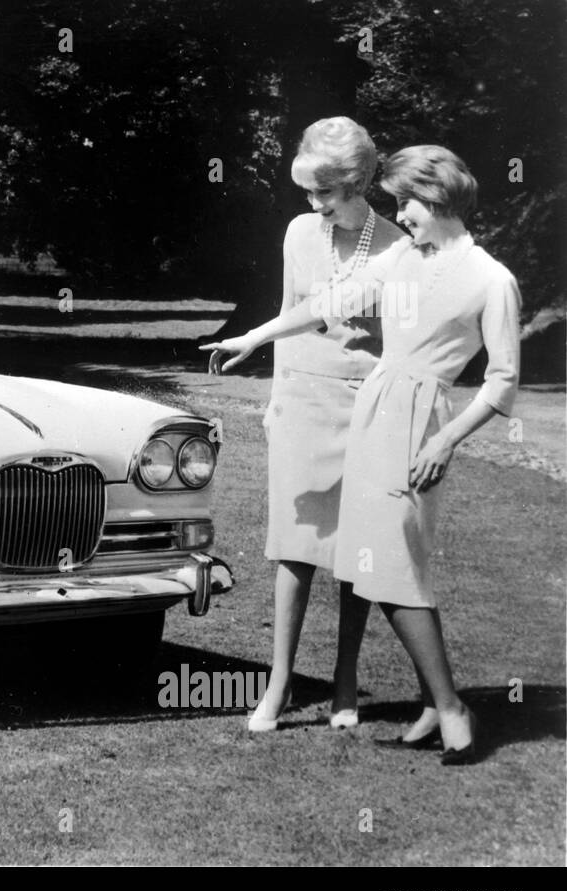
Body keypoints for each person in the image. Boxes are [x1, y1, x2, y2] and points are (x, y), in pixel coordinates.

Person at [202, 145, 520, 765]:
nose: (400, 215)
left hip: (422, 421)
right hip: (372, 409)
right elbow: (325, 306)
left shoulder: (491, 279)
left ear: (441, 199)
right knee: (380, 564)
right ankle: (440, 705)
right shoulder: (404, 257)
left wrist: (444, 440)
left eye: (408, 203)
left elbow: (502, 382)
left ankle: (452, 709)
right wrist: (253, 337)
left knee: (395, 564)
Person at [248, 117, 406, 733]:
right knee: (292, 546)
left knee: (354, 548)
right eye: (307, 193)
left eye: (324, 193)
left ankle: (346, 681)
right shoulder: (297, 233)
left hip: (362, 406)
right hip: (300, 400)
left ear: (358, 182)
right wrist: (272, 399)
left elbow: (399, 343)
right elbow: (291, 312)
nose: (314, 205)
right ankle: (278, 684)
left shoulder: (397, 243)